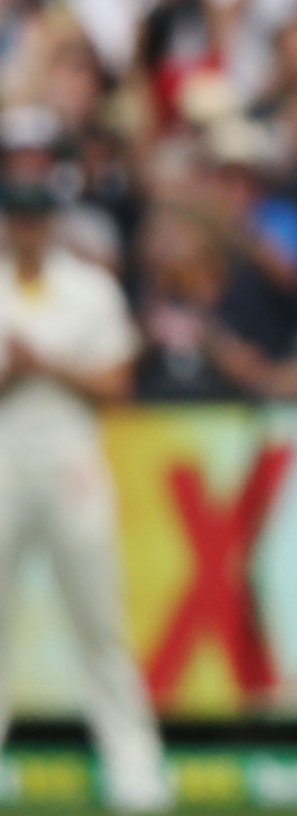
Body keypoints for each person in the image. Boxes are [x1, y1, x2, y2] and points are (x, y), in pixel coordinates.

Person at [0, 181, 169, 811]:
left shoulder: (90, 288)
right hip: (4, 464)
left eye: (37, 217)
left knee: (100, 619)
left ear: (52, 223)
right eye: (17, 217)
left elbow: (117, 384)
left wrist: (47, 364)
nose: (27, 228)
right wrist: (13, 372)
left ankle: (133, 766)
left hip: (72, 463)